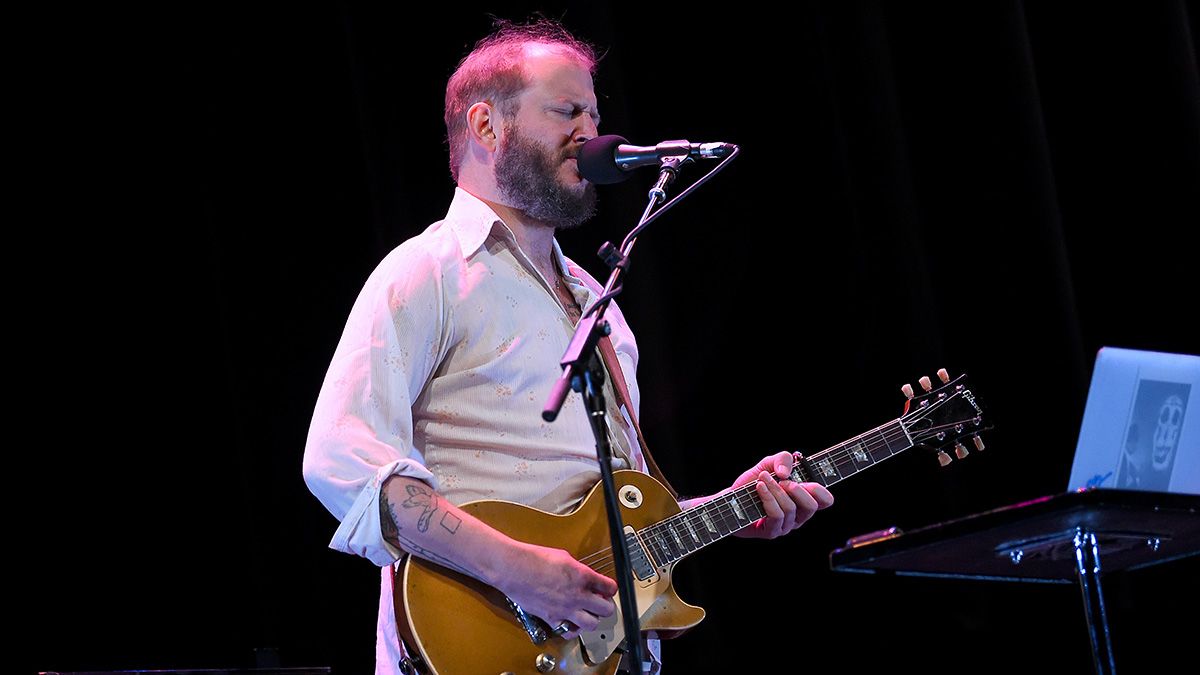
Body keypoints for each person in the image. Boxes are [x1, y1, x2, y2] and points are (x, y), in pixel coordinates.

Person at [302, 18, 834, 674]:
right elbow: (338, 457)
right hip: (478, 643)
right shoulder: (428, 272)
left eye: (593, 109)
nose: (592, 132)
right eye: (566, 110)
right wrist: (518, 569)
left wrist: (737, 507)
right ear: (487, 126)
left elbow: (613, 523)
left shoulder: (597, 303)